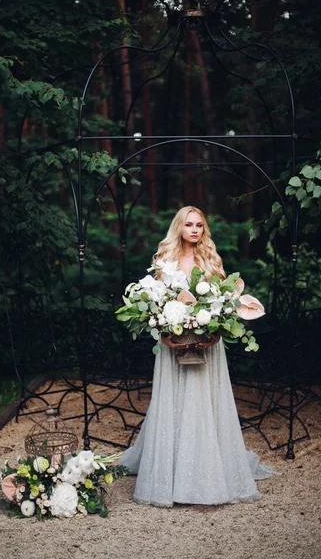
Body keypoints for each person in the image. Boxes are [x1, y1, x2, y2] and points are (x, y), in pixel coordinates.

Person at [120, 206, 279, 507]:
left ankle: (207, 473)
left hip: (207, 342)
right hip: (173, 342)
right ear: (179, 227)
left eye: (199, 225)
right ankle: (171, 473)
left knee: (204, 399)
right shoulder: (165, 262)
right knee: (174, 400)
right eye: (189, 225)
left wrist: (214, 327)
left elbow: (222, 302)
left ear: (204, 230)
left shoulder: (211, 261)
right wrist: (165, 327)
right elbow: (157, 301)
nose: (194, 230)